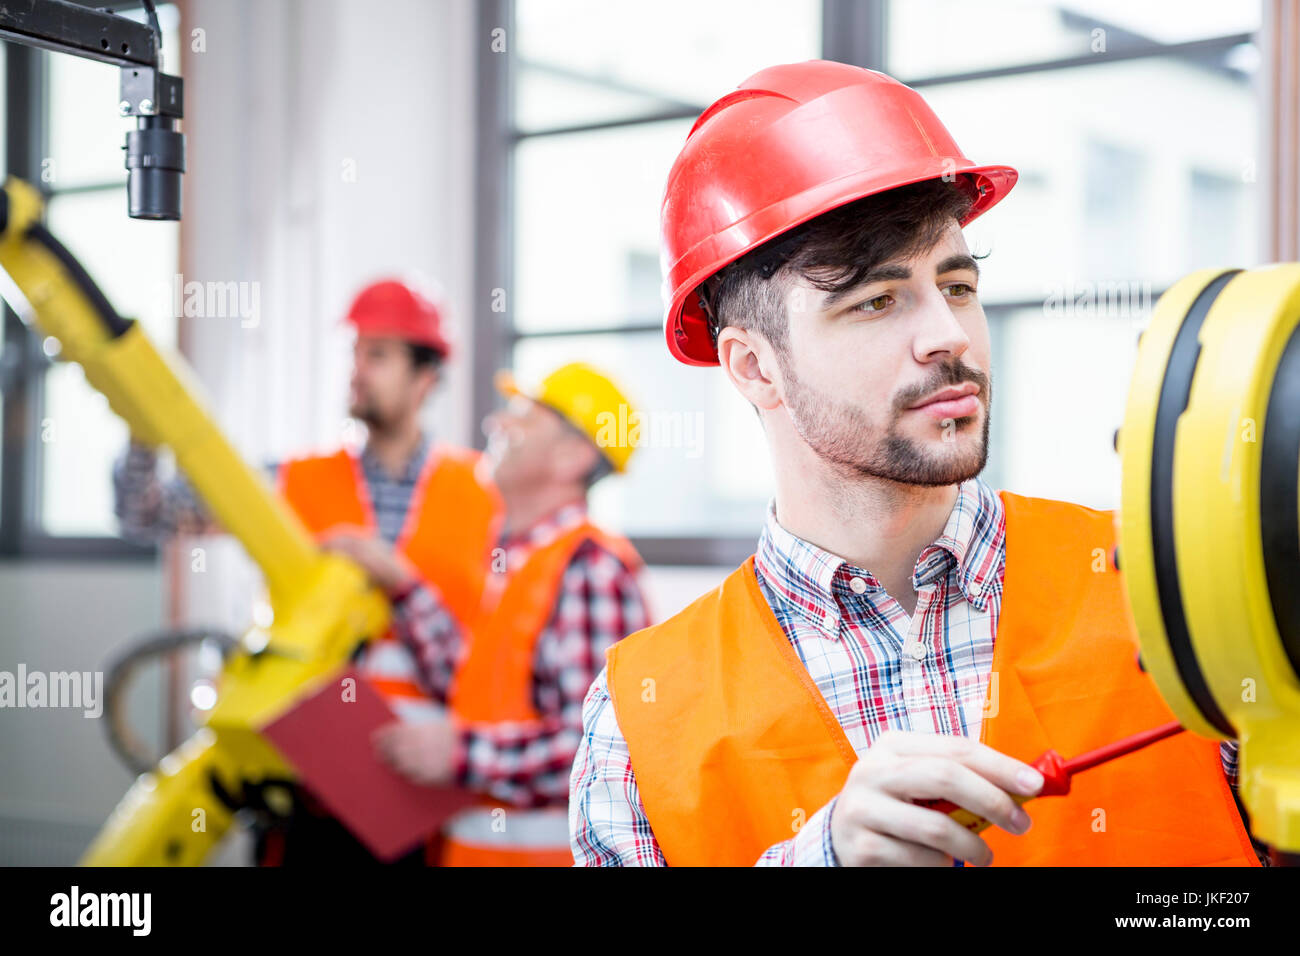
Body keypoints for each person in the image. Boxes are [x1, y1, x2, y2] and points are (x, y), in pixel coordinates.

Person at [569, 61, 1266, 867]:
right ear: (755, 368)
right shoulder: (638, 720)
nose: (951, 335)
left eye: (958, 285)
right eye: (877, 299)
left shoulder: (1178, 590)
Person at [115, 277, 500, 865]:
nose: (356, 369)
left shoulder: (485, 495)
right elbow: (146, 513)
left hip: (415, 800)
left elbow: (497, 657)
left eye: (377, 355)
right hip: (299, 791)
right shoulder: (294, 481)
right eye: (354, 352)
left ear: (425, 377)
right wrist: (141, 426)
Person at [366, 362, 651, 865]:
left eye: (523, 415)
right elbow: (468, 685)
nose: (497, 424)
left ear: (572, 455)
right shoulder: (516, 561)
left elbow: (598, 748)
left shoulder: (592, 569)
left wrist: (459, 754)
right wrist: (402, 585)